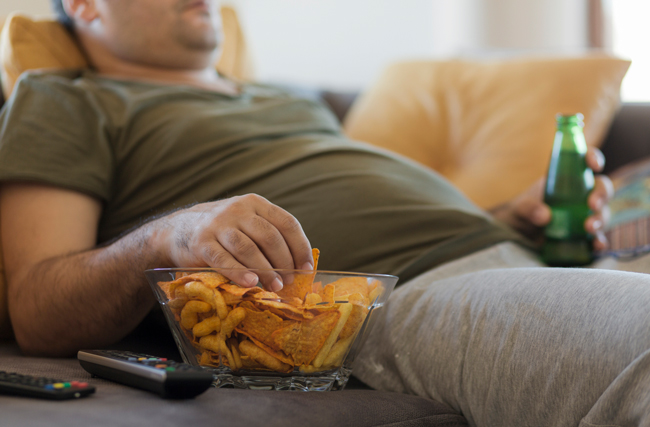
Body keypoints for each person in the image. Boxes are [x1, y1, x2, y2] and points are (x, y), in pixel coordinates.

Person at [0, 1, 648, 426]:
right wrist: (174, 231)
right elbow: (35, 306)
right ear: (85, 6)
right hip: (393, 294)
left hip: (520, 257)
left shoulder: (283, 98)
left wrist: (512, 214)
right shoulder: (65, 97)